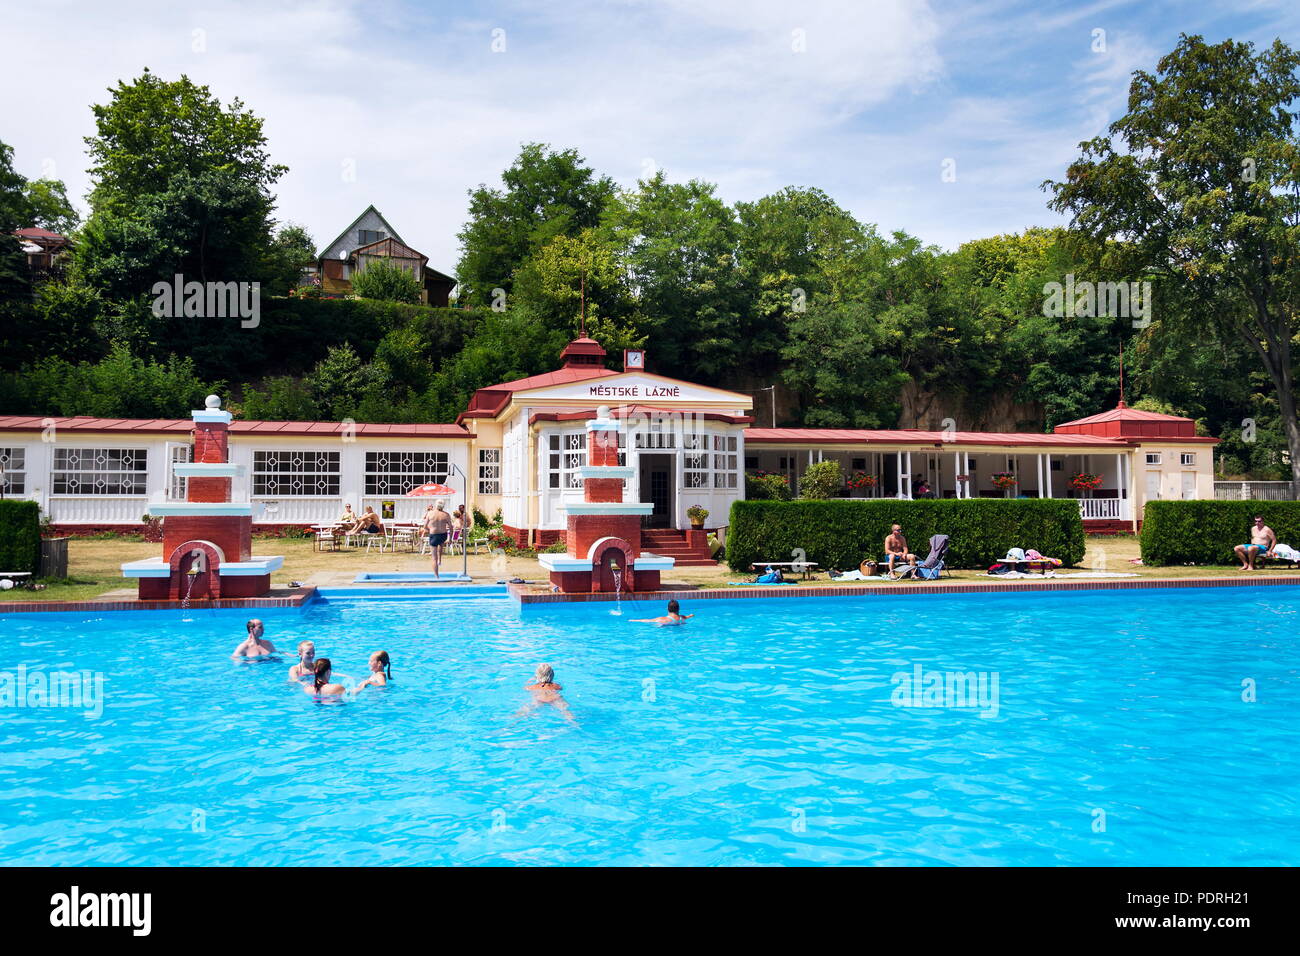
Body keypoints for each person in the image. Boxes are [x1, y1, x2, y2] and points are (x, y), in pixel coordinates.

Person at [424, 500, 453, 577]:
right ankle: (440, 559)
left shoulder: (430, 513)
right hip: (443, 535)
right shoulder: (446, 515)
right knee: (440, 545)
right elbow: (451, 527)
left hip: (434, 534)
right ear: (443, 506)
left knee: (434, 558)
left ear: (435, 505)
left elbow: (425, 526)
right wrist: (450, 538)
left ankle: (436, 576)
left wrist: (429, 529)